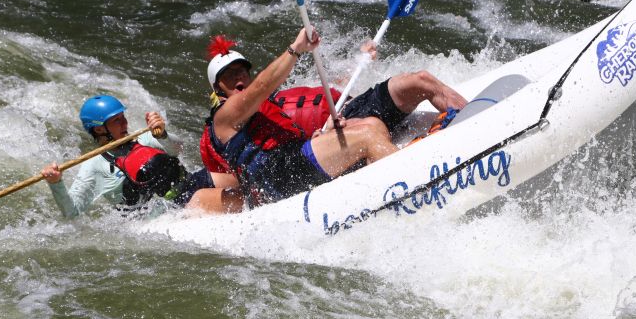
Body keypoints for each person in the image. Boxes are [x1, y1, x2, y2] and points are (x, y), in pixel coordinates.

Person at [198, 31, 467, 209]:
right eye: (230, 76)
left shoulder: (265, 110)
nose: (240, 78)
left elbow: (288, 138)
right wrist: (296, 49)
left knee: (370, 126)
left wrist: (319, 136)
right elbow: (261, 88)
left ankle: (468, 125)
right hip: (275, 179)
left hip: (291, 162)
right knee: (367, 138)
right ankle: (424, 192)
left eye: (242, 71)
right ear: (218, 88)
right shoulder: (223, 117)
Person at [41, 94, 212, 218]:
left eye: (123, 117)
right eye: (117, 120)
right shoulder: (94, 165)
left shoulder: (144, 138)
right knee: (226, 196)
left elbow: (178, 149)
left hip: (189, 187)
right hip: (162, 216)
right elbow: (72, 212)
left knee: (231, 179)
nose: (125, 123)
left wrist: (162, 135)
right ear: (100, 129)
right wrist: (56, 183)